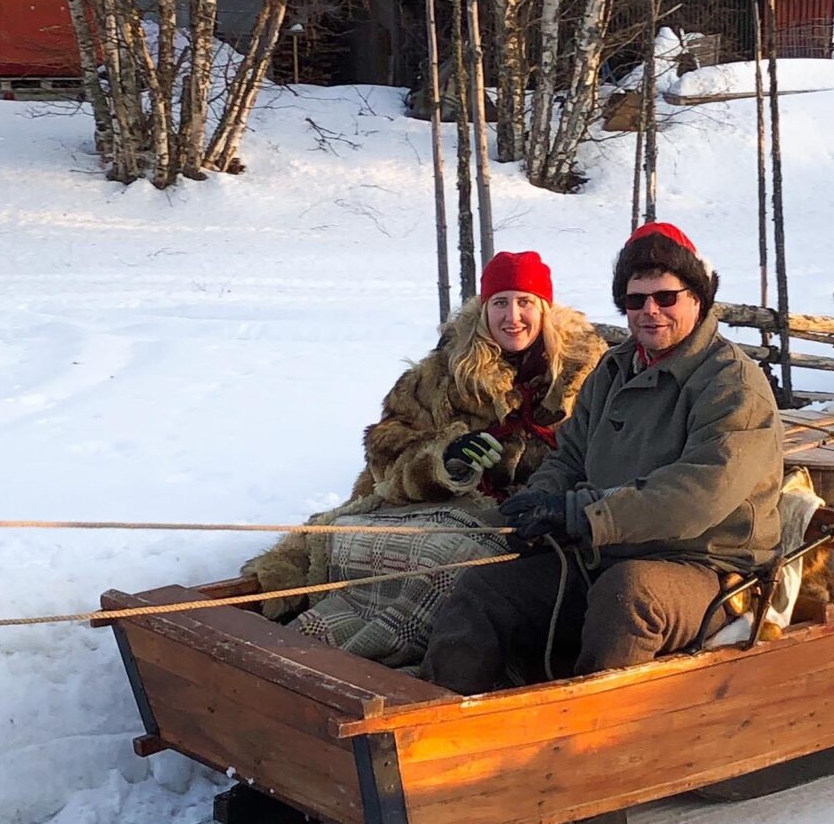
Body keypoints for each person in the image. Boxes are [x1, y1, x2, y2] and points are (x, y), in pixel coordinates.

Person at [419, 222, 785, 693]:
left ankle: (583, 744)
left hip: (705, 565)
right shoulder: (614, 369)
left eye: (665, 297)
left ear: (697, 297)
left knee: (628, 594)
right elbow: (569, 454)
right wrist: (540, 501)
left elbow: (698, 494)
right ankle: (439, 723)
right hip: (605, 551)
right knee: (484, 591)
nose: (650, 311)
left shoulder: (732, 383)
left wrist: (584, 515)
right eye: (636, 300)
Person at [242, 251, 608, 664]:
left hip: (532, 522)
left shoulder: (586, 376)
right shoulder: (443, 372)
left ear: (545, 308)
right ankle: (300, 650)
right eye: (500, 303)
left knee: (447, 564)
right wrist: (443, 459)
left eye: (525, 302)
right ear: (483, 309)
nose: (513, 316)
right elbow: (385, 451)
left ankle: (365, 660)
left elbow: (600, 455)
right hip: (438, 508)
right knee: (369, 546)